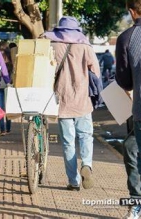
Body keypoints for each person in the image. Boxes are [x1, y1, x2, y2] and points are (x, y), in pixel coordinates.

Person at [44, 16, 100, 191]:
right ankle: (87, 165)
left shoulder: (52, 45)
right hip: (83, 100)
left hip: (62, 100)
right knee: (85, 136)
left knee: (68, 142)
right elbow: (96, 73)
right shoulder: (85, 46)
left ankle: (73, 181)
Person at [115, 0, 141, 217]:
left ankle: (137, 203)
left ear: (133, 12)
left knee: (132, 152)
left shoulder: (127, 37)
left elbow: (125, 81)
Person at [0, 41, 12, 136]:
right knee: (1, 109)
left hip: (7, 87)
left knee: (8, 108)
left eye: (3, 51)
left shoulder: (11, 61)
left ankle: (8, 128)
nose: (1, 53)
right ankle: (3, 130)